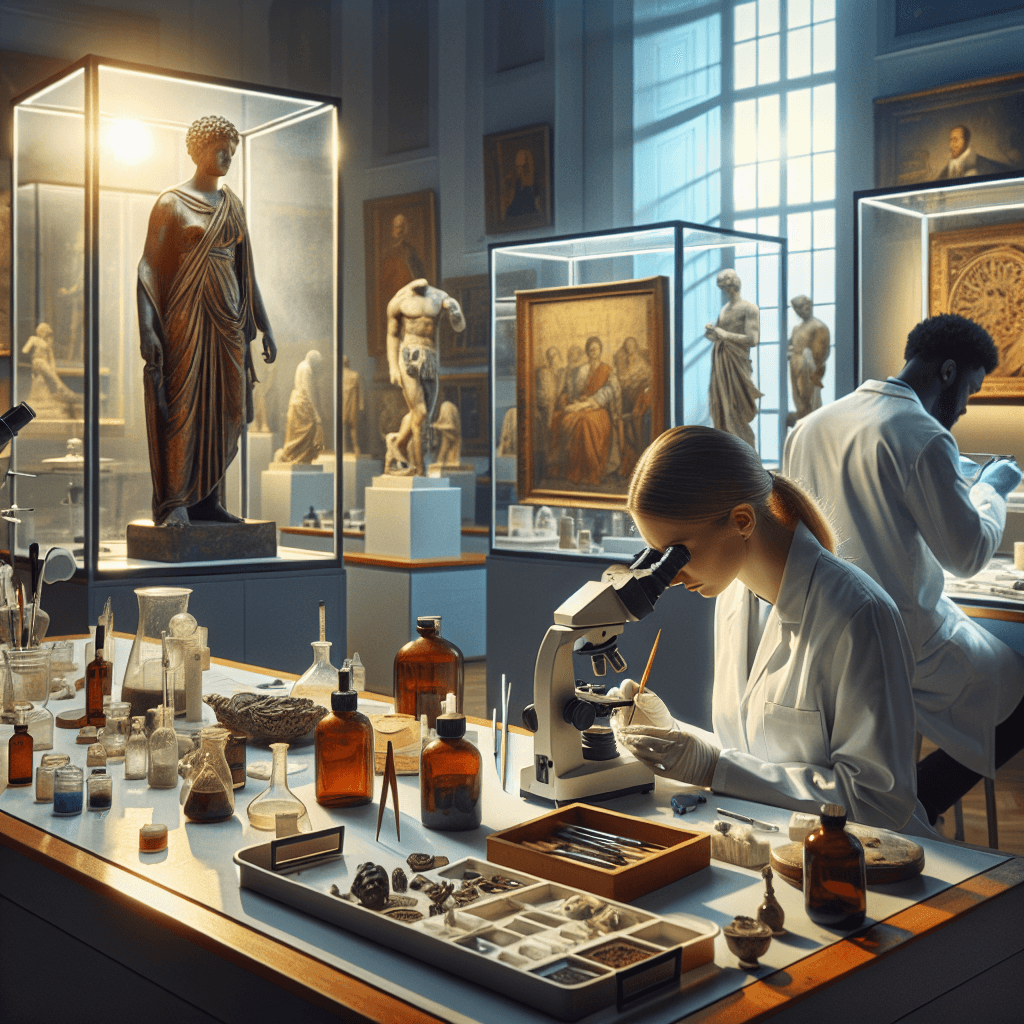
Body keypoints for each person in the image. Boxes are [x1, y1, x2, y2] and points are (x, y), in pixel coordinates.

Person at [615, 425, 928, 834]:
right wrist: (671, 737)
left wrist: (712, 767)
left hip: (863, 865)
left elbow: (877, 802)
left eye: (678, 555)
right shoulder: (733, 598)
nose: (671, 578)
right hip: (766, 841)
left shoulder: (858, 614)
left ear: (742, 520)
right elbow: (753, 757)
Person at [783, 314, 1024, 825]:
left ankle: (905, 796)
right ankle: (924, 803)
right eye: (971, 391)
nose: (964, 407)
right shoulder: (924, 434)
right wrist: (992, 488)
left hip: (828, 635)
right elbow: (967, 554)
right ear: (949, 371)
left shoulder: (811, 427)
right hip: (908, 644)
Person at [138, 114, 277, 527]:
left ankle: (209, 502)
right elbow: (148, 266)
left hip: (230, 320)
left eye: (232, 150)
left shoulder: (233, 205)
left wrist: (265, 324)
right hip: (186, 317)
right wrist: (147, 326)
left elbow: (246, 274)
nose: (227, 156)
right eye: (220, 148)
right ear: (198, 151)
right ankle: (177, 501)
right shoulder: (171, 203)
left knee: (228, 410)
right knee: (185, 407)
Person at [385, 279, 465, 476]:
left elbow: (459, 327)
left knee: (424, 416)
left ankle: (397, 445)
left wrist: (456, 312)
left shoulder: (440, 298)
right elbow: (392, 334)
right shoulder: (399, 301)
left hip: (429, 358)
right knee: (419, 413)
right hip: (408, 357)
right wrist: (393, 367)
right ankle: (420, 470)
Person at [551, 336, 621, 486]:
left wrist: (592, 401)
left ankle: (592, 469)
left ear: (600, 350)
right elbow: (573, 392)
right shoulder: (580, 370)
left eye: (596, 349)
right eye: (590, 349)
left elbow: (612, 391)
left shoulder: (607, 370)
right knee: (566, 418)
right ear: (587, 352)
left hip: (598, 408)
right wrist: (575, 400)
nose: (593, 351)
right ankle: (575, 469)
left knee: (586, 421)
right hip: (581, 405)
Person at [706, 269, 762, 449]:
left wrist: (724, 334)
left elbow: (753, 340)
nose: (725, 288)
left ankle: (745, 454)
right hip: (721, 362)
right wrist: (713, 333)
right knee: (721, 409)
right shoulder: (724, 310)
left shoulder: (749, 308)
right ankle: (727, 452)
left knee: (736, 409)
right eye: (722, 286)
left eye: (727, 284)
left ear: (734, 284)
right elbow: (719, 336)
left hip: (737, 364)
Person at [785, 295, 830, 428]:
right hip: (795, 364)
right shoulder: (797, 328)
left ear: (809, 306)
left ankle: (809, 420)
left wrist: (811, 364)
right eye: (797, 309)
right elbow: (790, 345)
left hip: (809, 367)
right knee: (797, 394)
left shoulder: (818, 326)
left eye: (802, 307)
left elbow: (822, 352)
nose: (800, 311)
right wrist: (791, 352)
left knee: (808, 395)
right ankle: (801, 415)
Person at [276, 350, 324, 465]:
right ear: (314, 360)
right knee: (306, 431)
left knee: (297, 433)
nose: (318, 365)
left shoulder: (302, 366)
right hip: (302, 405)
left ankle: (295, 456)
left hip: (298, 402)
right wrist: (316, 413)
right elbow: (307, 391)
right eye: (318, 362)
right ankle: (295, 456)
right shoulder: (306, 368)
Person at [937, 125, 1006, 180]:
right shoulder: (947, 170)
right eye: (951, 140)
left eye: (955, 140)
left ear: (966, 141)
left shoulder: (987, 166)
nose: (951, 145)